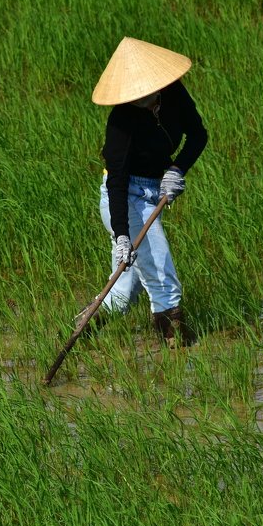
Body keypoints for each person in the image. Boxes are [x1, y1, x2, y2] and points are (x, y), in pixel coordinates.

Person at [82, 37, 209, 348]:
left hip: (155, 190)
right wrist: (122, 235)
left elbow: (198, 135)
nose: (140, 98)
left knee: (123, 295)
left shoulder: (175, 93)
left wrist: (177, 169)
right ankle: (179, 352)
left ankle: (81, 334)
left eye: (144, 92)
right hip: (126, 199)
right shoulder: (121, 122)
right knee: (163, 281)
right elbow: (117, 183)